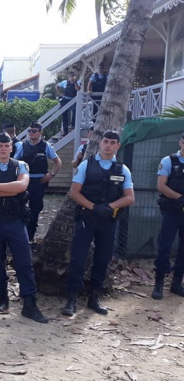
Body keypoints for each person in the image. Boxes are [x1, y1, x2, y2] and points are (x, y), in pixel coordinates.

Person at [61, 130, 135, 316]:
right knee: (78, 259)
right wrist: (94, 207)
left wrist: (110, 206)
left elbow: (129, 197)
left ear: (118, 145)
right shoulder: (87, 165)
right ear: (100, 143)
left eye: (112, 142)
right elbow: (74, 192)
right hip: (87, 218)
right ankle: (72, 299)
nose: (108, 145)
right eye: (106, 141)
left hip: (108, 221)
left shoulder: (122, 169)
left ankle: (94, 297)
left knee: (102, 259)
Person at [0, 133, 48, 323]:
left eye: (6, 145)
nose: (3, 149)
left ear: (11, 148)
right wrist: (7, 188)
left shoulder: (21, 165)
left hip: (15, 221)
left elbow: (22, 186)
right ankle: (2, 299)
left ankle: (29, 304)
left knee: (24, 262)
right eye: (0, 145)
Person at [13, 122, 62, 242]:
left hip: (39, 181)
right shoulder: (22, 146)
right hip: (25, 180)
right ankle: (20, 235)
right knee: (20, 207)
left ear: (40, 132)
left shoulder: (46, 146)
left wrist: (51, 174)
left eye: (34, 131)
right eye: (29, 131)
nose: (31, 133)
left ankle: (30, 236)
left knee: (35, 209)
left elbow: (58, 162)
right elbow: (14, 162)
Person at [151, 132, 184, 300]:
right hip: (172, 211)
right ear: (181, 143)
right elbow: (161, 186)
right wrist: (180, 198)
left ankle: (177, 282)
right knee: (164, 246)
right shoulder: (168, 161)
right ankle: (159, 283)